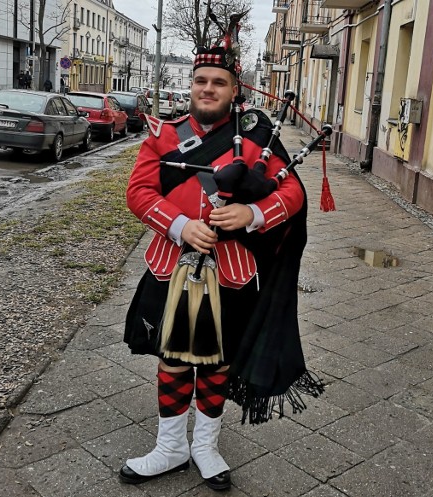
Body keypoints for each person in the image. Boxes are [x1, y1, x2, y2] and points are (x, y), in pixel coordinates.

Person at [120, 22, 322, 491]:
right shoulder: (163, 135)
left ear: (234, 89)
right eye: (200, 81)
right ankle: (170, 447)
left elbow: (292, 193)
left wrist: (251, 214)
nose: (207, 89)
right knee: (171, 357)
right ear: (191, 86)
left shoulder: (259, 139)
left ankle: (205, 447)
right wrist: (179, 224)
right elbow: (138, 193)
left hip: (233, 271)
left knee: (218, 361)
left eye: (218, 82)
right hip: (170, 261)